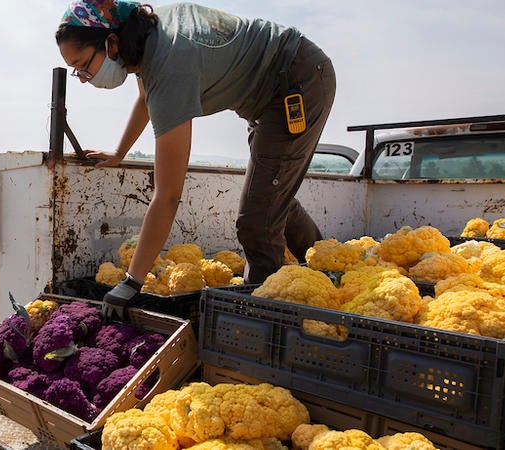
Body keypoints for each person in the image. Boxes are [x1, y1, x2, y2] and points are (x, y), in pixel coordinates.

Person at [55, 0, 335, 319]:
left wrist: (132, 282)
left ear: (111, 42)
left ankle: (259, 327)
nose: (81, 77)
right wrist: (121, 152)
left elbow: (169, 195)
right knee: (271, 197)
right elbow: (145, 100)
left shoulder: (169, 60)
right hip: (272, 93)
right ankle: (327, 268)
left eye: (82, 65)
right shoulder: (146, 38)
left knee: (257, 221)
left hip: (296, 81)